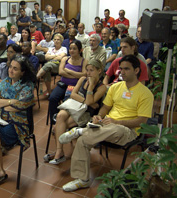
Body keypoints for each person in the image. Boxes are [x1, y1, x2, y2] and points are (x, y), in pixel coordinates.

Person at [59, 54, 154, 192]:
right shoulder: (116, 87)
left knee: (115, 129)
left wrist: (117, 121)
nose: (122, 72)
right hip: (106, 125)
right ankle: (83, 180)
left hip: (128, 130)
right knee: (83, 141)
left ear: (137, 70)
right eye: (121, 69)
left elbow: (142, 120)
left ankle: (80, 130)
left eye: (126, 69)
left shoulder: (145, 93)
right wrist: (98, 116)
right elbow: (105, 108)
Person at [0, 55, 36, 188]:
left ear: (23, 72)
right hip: (3, 120)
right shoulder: (5, 82)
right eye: (10, 67)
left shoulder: (27, 86)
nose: (10, 71)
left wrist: (4, 105)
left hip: (19, 125)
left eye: (15, 69)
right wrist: (10, 102)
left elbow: (22, 104)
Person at [44, 59, 106, 164]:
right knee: (60, 117)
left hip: (86, 112)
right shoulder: (82, 79)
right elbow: (73, 94)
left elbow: (90, 102)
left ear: (99, 71)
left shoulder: (102, 87)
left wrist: (90, 87)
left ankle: (59, 153)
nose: (88, 73)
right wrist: (86, 101)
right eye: (87, 70)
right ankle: (60, 151)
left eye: (91, 70)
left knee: (59, 127)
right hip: (74, 105)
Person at [47, 40, 87, 125]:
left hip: (75, 87)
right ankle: (54, 123)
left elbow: (84, 75)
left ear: (80, 50)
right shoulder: (65, 59)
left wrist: (68, 71)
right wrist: (76, 75)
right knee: (52, 98)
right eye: (70, 48)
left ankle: (65, 123)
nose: (71, 50)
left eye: (74, 49)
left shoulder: (84, 61)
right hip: (63, 84)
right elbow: (61, 72)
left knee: (67, 103)